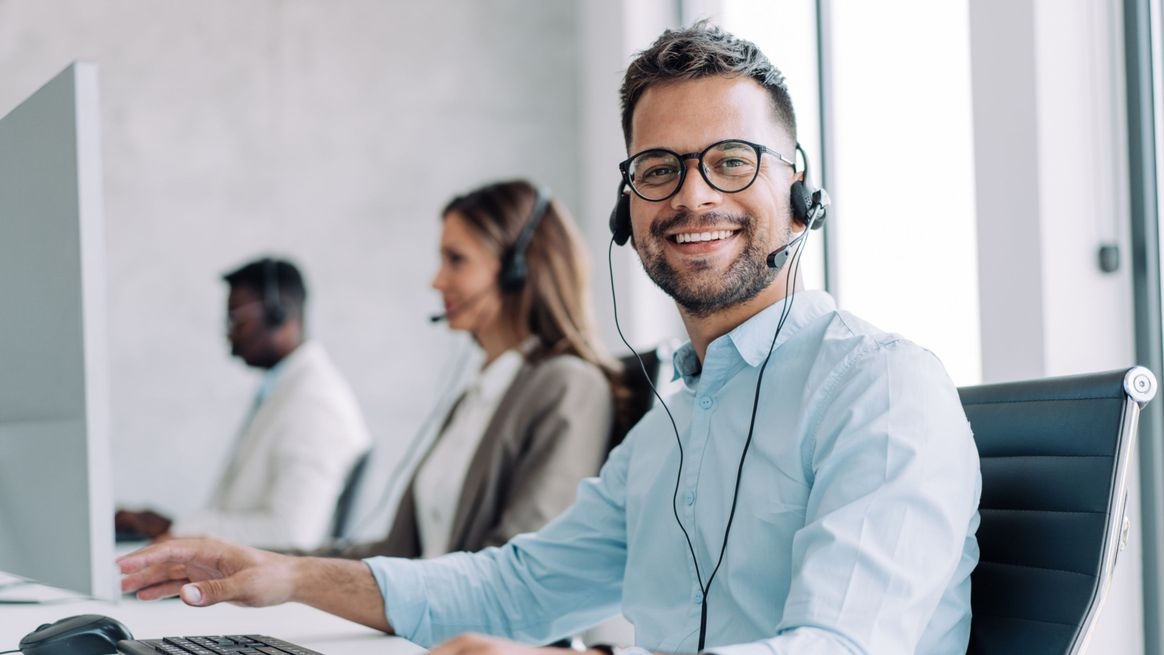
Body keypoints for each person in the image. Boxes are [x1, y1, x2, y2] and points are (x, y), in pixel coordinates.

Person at [118, 22, 981, 655]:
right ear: (627, 211)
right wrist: (285, 574)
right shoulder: (672, 428)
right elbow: (516, 584)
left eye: (732, 160)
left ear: (799, 193)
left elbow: (838, 648)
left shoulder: (882, 389)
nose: (693, 196)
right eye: (659, 170)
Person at [316, 179, 619, 560]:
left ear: (517, 269)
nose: (437, 281)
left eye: (455, 259)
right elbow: (399, 554)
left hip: (473, 621)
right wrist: (269, 561)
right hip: (431, 617)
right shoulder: (476, 397)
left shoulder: (569, 386)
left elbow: (526, 567)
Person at [115, 257, 373, 551]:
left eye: (237, 320)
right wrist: (176, 529)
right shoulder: (282, 390)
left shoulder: (315, 403)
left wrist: (179, 530)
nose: (229, 334)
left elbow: (292, 534)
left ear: (279, 315)